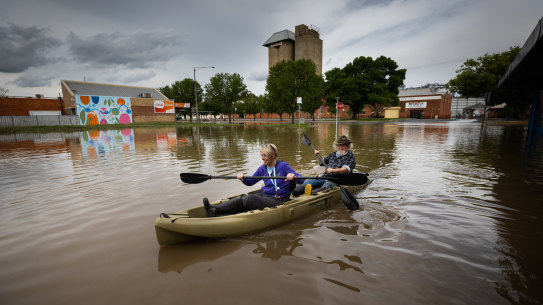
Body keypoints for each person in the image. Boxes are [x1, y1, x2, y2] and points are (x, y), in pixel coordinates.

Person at [203, 144, 304, 217]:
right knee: (245, 197)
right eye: (262, 155)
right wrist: (243, 178)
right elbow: (250, 182)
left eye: (264, 155)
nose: (262, 158)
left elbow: (301, 180)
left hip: (279, 199)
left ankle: (215, 210)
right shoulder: (262, 168)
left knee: (250, 199)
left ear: (273, 156)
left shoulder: (283, 166)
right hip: (266, 195)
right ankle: (214, 209)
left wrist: (293, 176)